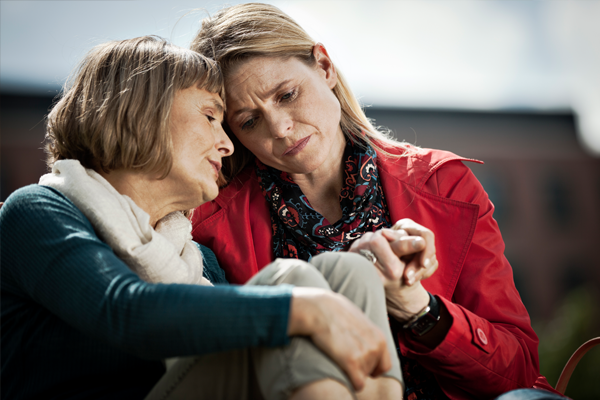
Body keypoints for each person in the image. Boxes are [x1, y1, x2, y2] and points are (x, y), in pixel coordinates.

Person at [190, 3, 566, 399]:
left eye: (287, 94)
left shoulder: (444, 184)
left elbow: (520, 371)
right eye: (249, 121)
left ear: (324, 66)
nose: (280, 129)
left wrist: (418, 308)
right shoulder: (209, 227)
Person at [0, 36, 404, 400]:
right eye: (211, 116)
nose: (228, 144)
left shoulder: (199, 261)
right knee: (292, 285)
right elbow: (125, 313)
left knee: (350, 270)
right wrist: (301, 309)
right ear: (143, 114)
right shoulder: (38, 212)